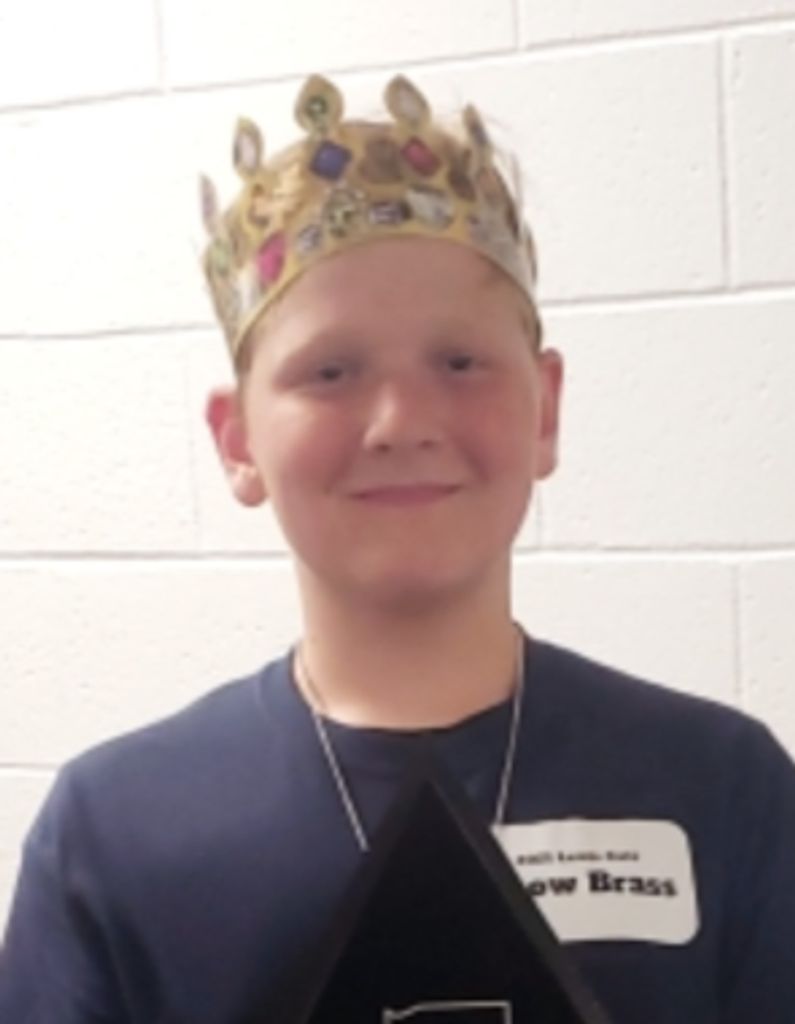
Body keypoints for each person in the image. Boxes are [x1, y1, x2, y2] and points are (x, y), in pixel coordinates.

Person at [1, 72, 794, 1024]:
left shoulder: (720, 788)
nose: (402, 421)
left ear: (545, 410)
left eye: (459, 361)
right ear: (237, 440)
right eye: (331, 371)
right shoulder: (114, 834)